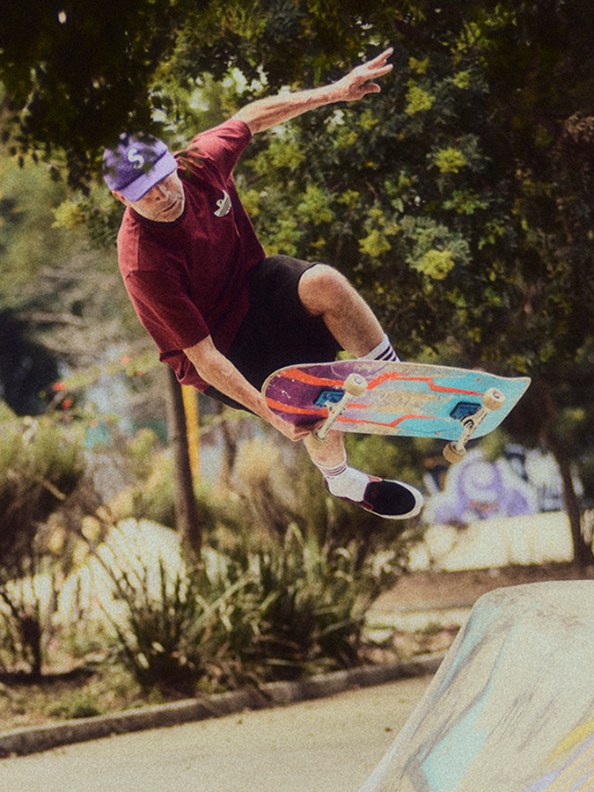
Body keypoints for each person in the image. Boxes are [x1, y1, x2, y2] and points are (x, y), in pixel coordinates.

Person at [103, 47, 423, 520]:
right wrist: (271, 412)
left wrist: (335, 91)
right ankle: (344, 481)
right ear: (122, 198)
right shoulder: (142, 263)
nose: (165, 195)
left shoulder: (198, 164)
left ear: (172, 162)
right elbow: (205, 357)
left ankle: (391, 374)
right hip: (219, 348)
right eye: (146, 194)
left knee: (325, 282)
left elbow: (252, 117)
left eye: (164, 179)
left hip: (254, 286)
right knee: (309, 407)